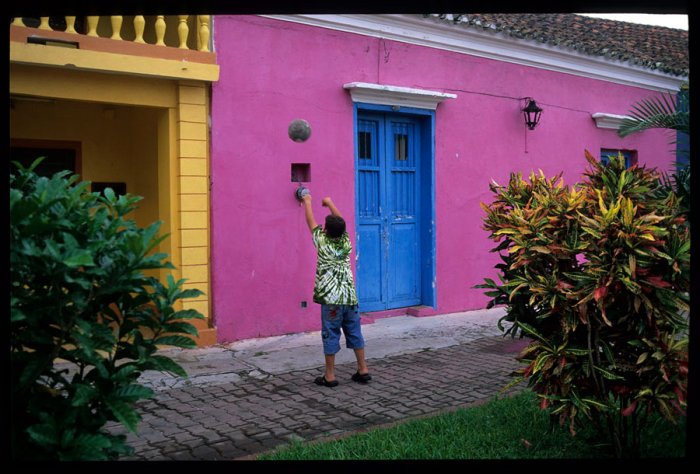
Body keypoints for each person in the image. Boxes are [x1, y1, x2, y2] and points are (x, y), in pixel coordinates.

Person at [301, 193, 371, 387]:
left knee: (331, 333)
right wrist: (330, 203)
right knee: (354, 331)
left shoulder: (322, 243)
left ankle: (330, 375)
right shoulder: (346, 242)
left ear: (326, 231)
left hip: (331, 299)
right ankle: (362, 369)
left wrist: (307, 202)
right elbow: (341, 223)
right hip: (350, 297)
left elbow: (310, 221)